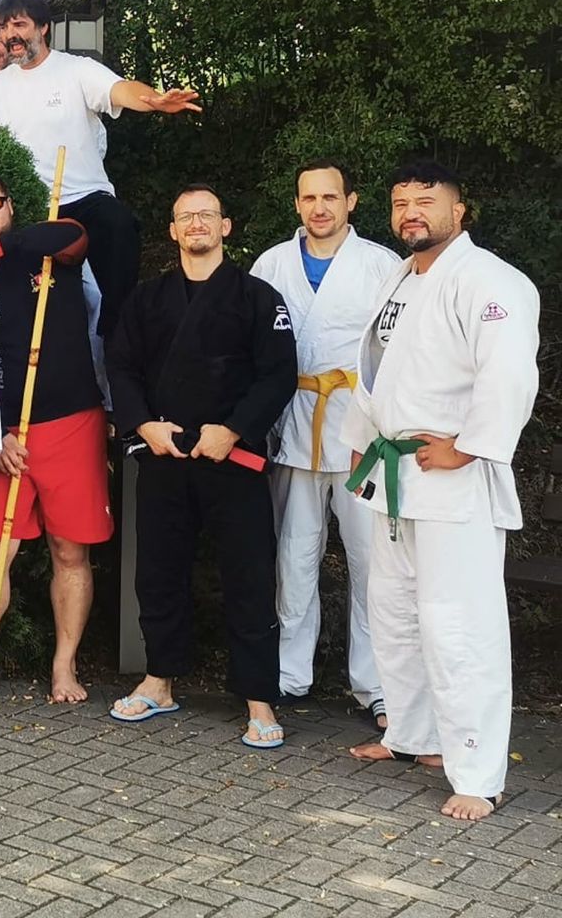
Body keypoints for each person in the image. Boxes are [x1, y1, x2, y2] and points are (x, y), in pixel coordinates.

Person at [343, 161, 540, 821]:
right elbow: (372, 371)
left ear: (460, 210)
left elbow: (508, 374)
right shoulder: (399, 278)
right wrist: (359, 440)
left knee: (459, 626)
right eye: (401, 202)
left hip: (452, 478)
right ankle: (414, 735)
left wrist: (470, 445)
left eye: (426, 201)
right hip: (394, 474)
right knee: (394, 613)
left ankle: (479, 774)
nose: (411, 213)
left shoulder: (491, 281)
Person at [107, 182, 296, 748]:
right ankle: (159, 680)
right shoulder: (146, 299)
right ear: (172, 230)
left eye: (206, 215)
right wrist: (143, 425)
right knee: (158, 572)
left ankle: (259, 698)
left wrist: (233, 429)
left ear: (225, 226)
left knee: (249, 575)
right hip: (164, 454)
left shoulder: (258, 297)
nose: (196, 224)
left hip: (233, 458)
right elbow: (121, 366)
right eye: (186, 216)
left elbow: (279, 374)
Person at [0, 172, 108, 705]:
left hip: (70, 422)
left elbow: (76, 234)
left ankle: (64, 666)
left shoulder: (47, 251)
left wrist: (0, 247)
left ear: (10, 207)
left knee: (69, 550)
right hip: (1, 437)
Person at [249, 161, 399, 724]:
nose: (319, 208)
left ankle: (377, 684)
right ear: (296, 204)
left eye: (330, 197)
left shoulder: (381, 265)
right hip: (293, 421)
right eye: (309, 198)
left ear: (351, 201)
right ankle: (290, 675)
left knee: (371, 563)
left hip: (361, 428)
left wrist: (388, 423)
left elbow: (399, 350)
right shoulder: (272, 264)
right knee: (293, 557)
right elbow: (253, 343)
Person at [0, 0, 201, 338]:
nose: (10, 35)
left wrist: (154, 100)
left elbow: (119, 90)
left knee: (120, 225)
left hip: (87, 197)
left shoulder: (76, 69)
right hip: (33, 207)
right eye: (4, 27)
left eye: (19, 25)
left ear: (43, 27)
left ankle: (118, 333)